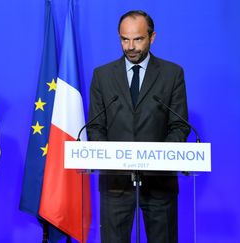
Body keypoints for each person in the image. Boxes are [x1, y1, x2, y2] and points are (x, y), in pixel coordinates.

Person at [87, 10, 190, 243]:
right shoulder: (102, 76)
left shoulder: (172, 74)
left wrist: (156, 158)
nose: (130, 46)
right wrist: (114, 159)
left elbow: (179, 125)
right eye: (125, 39)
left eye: (138, 39)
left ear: (152, 37)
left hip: (159, 183)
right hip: (115, 184)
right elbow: (94, 127)